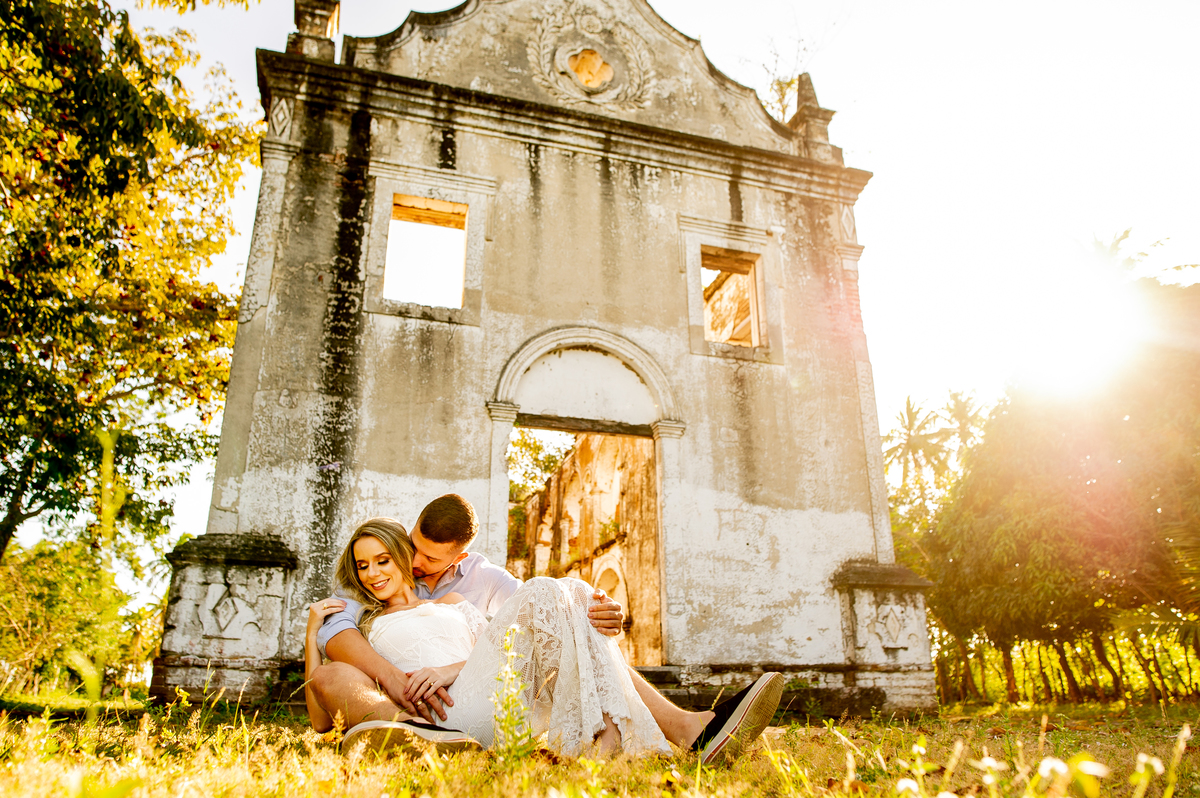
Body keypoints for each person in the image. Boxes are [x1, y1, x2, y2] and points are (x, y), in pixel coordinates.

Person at [309, 495, 784, 764]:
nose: (413, 562)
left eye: (395, 558)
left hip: (484, 693)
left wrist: (603, 613)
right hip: (433, 711)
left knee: (565, 594)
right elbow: (334, 640)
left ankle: (659, 732)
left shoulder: (472, 587)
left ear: (458, 557)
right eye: (410, 548)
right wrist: (372, 667)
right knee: (557, 592)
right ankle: (654, 737)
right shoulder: (362, 605)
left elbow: (531, 627)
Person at [306, 516, 673, 757]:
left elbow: (503, 650)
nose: (372, 573)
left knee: (567, 590)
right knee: (327, 673)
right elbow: (322, 718)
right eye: (362, 565)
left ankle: (607, 741)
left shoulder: (453, 601)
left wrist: (449, 670)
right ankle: (420, 738)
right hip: (432, 719)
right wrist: (312, 635)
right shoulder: (364, 622)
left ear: (403, 556)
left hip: (487, 699)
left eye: (382, 560)